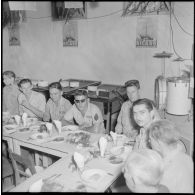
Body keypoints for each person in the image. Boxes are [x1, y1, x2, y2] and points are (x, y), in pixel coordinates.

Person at [148, 120, 194, 193]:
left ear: (158, 142)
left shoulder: (167, 171)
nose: (149, 141)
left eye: (150, 139)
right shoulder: (186, 157)